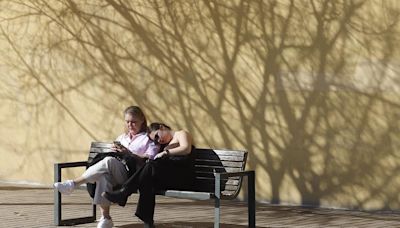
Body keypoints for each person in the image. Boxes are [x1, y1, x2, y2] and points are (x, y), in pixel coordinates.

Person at [54, 106, 159, 228]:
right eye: (127, 122)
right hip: (116, 170)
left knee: (108, 161)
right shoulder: (122, 137)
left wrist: (128, 153)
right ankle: (106, 218)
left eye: (134, 122)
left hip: (133, 176)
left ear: (142, 120)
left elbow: (150, 159)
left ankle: (74, 184)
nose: (130, 125)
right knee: (103, 175)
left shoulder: (147, 138)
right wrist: (114, 150)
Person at [102, 122, 196, 228]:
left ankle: (124, 193)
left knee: (150, 168)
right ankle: (147, 221)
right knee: (147, 181)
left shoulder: (181, 133)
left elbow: (186, 148)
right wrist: (128, 153)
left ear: (162, 127)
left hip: (183, 177)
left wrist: (166, 153)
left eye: (157, 136)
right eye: (155, 140)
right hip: (170, 178)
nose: (158, 140)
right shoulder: (163, 145)